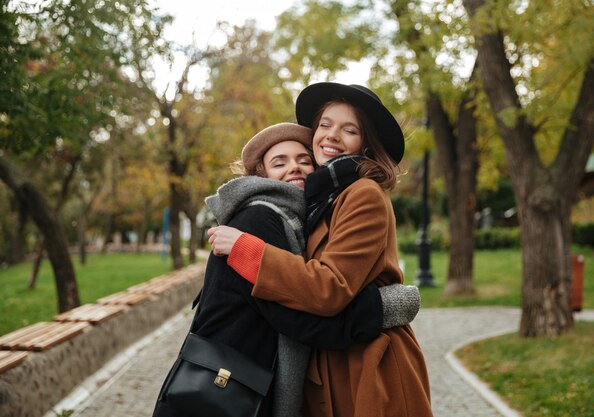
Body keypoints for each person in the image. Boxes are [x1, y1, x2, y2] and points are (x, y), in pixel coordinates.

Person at [153, 122, 421, 417]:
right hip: (222, 393)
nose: (294, 168)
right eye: (279, 163)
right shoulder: (259, 219)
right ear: (260, 174)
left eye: (304, 160)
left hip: (240, 385)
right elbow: (299, 321)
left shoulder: (296, 221)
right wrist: (384, 308)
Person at [208, 83, 434, 417]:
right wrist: (383, 307)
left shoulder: (362, 194)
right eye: (325, 125)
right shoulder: (319, 201)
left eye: (349, 129)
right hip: (333, 365)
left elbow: (330, 287)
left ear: (366, 145)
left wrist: (247, 250)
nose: (331, 136)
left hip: (371, 366)